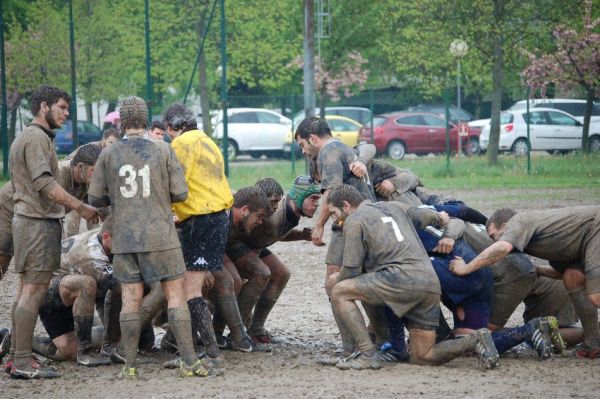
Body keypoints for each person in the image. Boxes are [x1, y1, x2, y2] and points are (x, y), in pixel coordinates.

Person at [88, 96, 207, 379]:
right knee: (175, 295)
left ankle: (129, 365)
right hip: (161, 233)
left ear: (121, 121)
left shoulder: (109, 153)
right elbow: (180, 193)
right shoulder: (163, 150)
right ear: (145, 118)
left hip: (125, 236)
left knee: (130, 298)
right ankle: (190, 362)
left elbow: (94, 197)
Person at [326, 185, 499, 371]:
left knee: (340, 291)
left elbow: (351, 271)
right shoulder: (395, 207)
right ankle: (474, 340)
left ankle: (367, 354)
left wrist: (336, 279)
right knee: (423, 356)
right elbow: (428, 215)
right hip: (429, 283)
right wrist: (441, 218)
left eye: (333, 213)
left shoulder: (354, 220)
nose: (334, 220)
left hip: (399, 278)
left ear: (345, 205)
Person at [6, 85, 101, 379]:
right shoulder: (35, 138)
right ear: (44, 107)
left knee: (25, 293)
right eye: (61, 107)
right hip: (36, 223)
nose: (66, 113)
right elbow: (45, 185)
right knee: (32, 293)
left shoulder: (35, 137)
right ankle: (21, 361)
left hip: (31, 222)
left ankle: (15, 355)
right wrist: (80, 207)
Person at [449, 206, 600, 358]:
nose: (494, 241)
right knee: (572, 277)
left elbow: (502, 248)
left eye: (494, 236)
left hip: (596, 228)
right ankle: (593, 343)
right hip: (587, 241)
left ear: (505, 226)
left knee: (595, 295)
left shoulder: (519, 221)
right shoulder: (547, 243)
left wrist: (466, 268)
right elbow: (559, 274)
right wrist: (538, 269)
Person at [162, 103, 239, 368]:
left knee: (190, 288)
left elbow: (175, 182)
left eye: (168, 132)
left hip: (203, 218)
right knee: (192, 284)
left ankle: (210, 354)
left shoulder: (181, 143)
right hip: (219, 215)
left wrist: (168, 210)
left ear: (173, 127)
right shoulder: (208, 141)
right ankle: (196, 349)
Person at [295, 116, 376, 356]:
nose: (303, 151)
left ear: (313, 138)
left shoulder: (327, 152)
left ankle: (352, 347)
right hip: (367, 221)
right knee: (367, 283)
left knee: (334, 283)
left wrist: (318, 225)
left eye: (302, 144)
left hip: (348, 226)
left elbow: (331, 194)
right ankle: (376, 339)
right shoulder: (344, 148)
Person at [228, 176, 320, 345]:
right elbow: (246, 215)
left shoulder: (290, 214)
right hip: (236, 243)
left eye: (318, 200)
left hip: (254, 245)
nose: (316, 204)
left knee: (281, 273)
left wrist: (300, 235)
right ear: (298, 197)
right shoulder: (270, 212)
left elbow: (274, 233)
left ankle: (256, 328)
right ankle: (237, 333)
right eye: (313, 199)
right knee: (261, 273)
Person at [0, 143, 101, 280]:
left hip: (33, 214)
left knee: (32, 265)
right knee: (3, 257)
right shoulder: (60, 173)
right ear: (80, 167)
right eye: (94, 170)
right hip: (9, 207)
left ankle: (20, 300)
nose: (98, 176)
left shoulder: (86, 180)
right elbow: (52, 210)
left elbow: (102, 208)